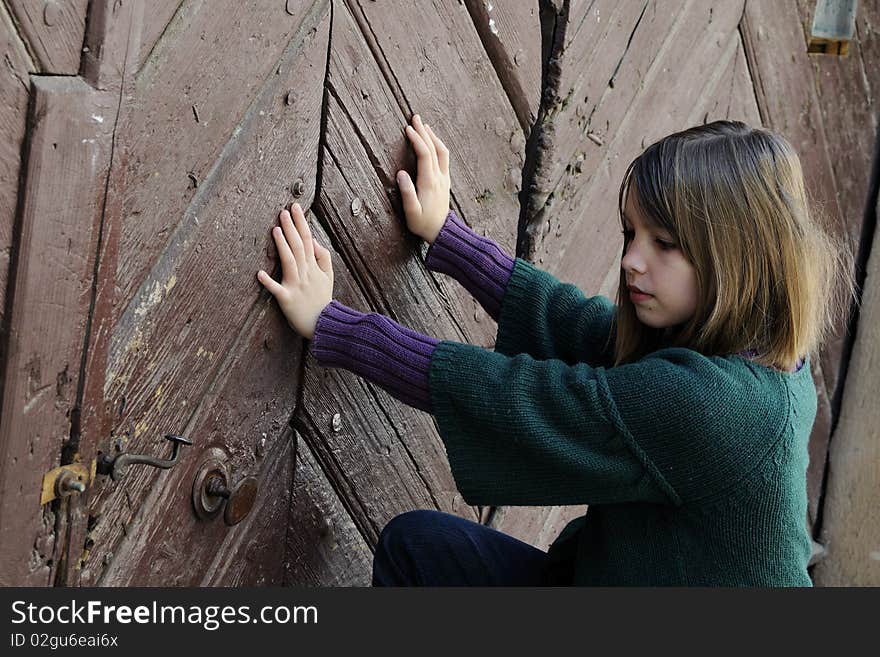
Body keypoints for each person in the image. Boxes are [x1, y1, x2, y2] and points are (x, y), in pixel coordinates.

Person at [256, 115, 856, 586]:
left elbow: (520, 398)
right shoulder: (761, 347)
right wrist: (450, 237)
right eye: (630, 234)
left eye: (664, 244)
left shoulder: (714, 409)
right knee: (418, 550)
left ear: (739, 259)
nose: (632, 261)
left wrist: (334, 324)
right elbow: (591, 332)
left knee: (417, 555)